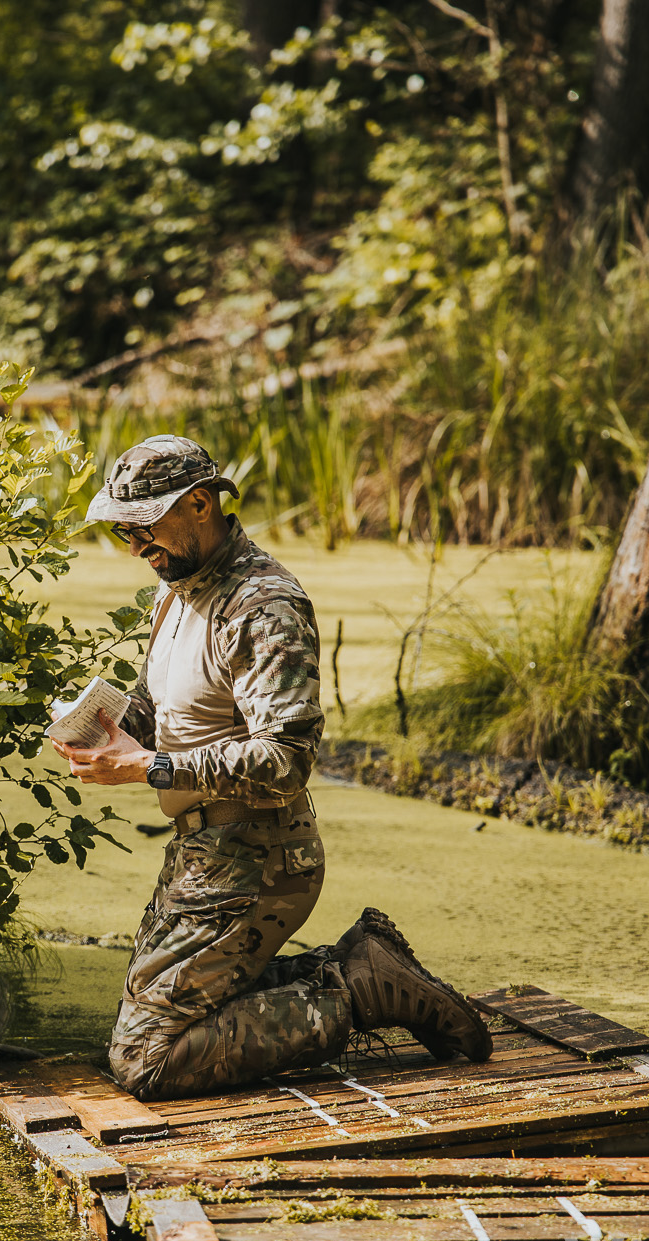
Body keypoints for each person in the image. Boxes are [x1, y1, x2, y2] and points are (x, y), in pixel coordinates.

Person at [49, 434, 493, 1102]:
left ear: (200, 504)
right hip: (202, 853)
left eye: (143, 527)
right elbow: (161, 706)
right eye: (122, 532)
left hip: (259, 857)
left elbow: (286, 759)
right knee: (148, 1022)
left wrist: (146, 767)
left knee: (145, 1059)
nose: (135, 546)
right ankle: (358, 965)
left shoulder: (263, 606)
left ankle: (359, 992)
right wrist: (104, 728)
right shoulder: (177, 591)